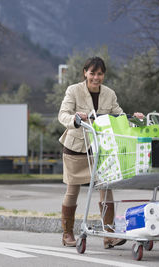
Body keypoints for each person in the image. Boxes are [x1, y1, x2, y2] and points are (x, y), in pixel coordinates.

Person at [58, 56, 144, 248]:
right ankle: (67, 233)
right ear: (85, 73)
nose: (96, 77)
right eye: (92, 73)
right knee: (73, 190)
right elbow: (62, 114)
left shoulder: (109, 94)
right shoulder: (73, 90)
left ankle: (109, 235)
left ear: (103, 75)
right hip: (76, 147)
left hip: (102, 149)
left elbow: (119, 117)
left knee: (106, 188)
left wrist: (135, 119)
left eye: (100, 74)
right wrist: (74, 118)